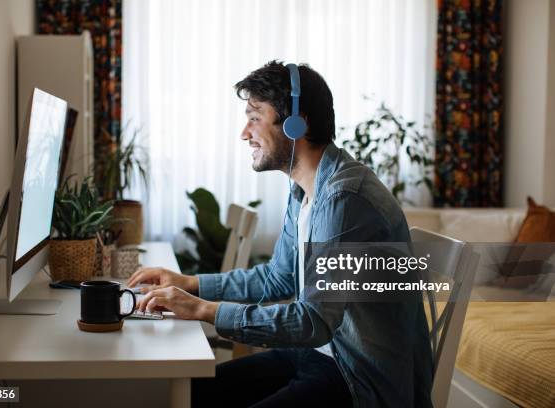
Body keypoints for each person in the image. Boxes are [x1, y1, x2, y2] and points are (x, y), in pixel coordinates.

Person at [128, 61, 433, 407]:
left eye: (255, 117)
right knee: (189, 395)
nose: (245, 133)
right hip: (320, 355)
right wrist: (190, 283)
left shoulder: (345, 198)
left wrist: (203, 310)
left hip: (356, 377)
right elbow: (278, 279)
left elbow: (314, 321)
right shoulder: (305, 188)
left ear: (294, 123)